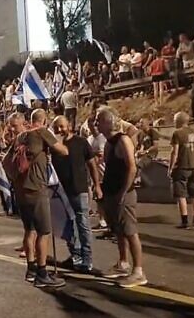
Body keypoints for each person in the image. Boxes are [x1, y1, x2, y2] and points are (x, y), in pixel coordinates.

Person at [7, 110, 69, 288]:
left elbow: (7, 160)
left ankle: (31, 269)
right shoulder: (41, 132)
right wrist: (58, 139)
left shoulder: (20, 137)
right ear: (44, 120)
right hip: (37, 189)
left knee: (29, 230)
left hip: (21, 190)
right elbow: (63, 151)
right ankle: (42, 273)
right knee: (44, 232)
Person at [96, 107, 147, 288]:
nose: (95, 124)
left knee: (130, 231)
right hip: (112, 192)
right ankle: (123, 263)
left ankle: (138, 272)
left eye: (98, 120)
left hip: (123, 193)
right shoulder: (109, 143)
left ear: (108, 122)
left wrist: (123, 192)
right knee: (118, 230)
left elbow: (132, 167)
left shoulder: (123, 140)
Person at [52, 116, 100, 273]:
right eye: (56, 128)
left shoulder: (81, 142)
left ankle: (87, 260)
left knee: (83, 225)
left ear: (69, 126)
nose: (60, 130)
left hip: (79, 191)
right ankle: (75, 256)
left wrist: (97, 186)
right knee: (67, 226)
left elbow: (92, 164)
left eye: (62, 126)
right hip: (61, 193)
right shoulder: (54, 147)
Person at [168, 112, 194, 230]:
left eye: (174, 119)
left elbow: (175, 152)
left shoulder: (177, 133)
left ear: (179, 121)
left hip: (182, 167)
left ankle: (184, 220)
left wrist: (170, 167)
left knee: (181, 194)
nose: (173, 122)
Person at [135, 118, 161, 186]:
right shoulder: (141, 134)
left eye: (142, 123)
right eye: (140, 122)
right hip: (144, 152)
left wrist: (146, 152)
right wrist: (139, 152)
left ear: (147, 124)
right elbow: (141, 145)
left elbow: (155, 146)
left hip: (151, 153)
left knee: (139, 164)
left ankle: (137, 180)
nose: (140, 124)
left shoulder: (153, 132)